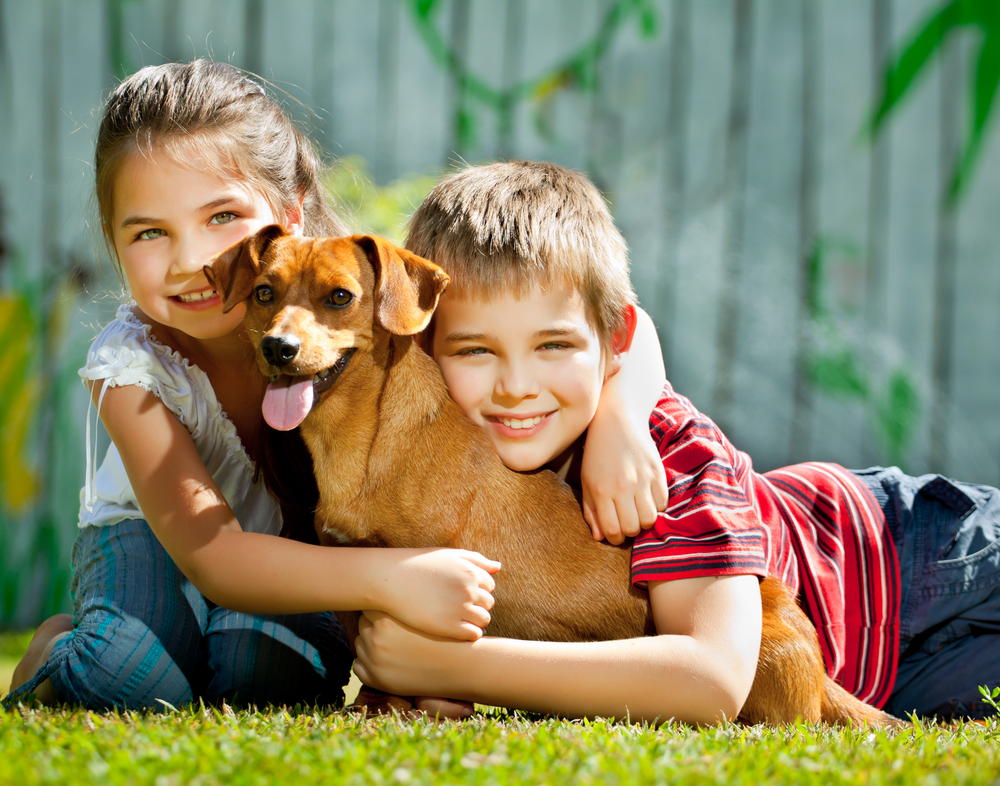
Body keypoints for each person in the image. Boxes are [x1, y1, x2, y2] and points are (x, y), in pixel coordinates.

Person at [5, 62, 666, 712]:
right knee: (126, 680)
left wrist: (623, 420)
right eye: (150, 232)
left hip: (287, 561)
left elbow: (613, 329)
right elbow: (217, 556)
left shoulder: (354, 306)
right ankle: (60, 650)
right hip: (165, 543)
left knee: (272, 682)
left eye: (220, 218)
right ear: (113, 244)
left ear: (289, 216)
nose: (193, 261)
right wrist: (394, 579)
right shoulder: (134, 369)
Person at [350, 160, 1000, 723]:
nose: (516, 386)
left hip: (925, 560)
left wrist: (451, 666)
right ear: (425, 351)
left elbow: (712, 680)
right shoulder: (439, 452)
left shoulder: (668, 452)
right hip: (882, 671)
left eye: (553, 345)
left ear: (614, 344)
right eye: (475, 351)